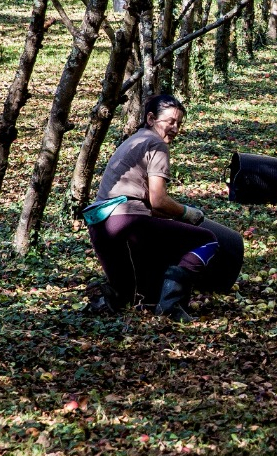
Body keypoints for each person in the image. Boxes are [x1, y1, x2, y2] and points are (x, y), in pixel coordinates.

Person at [84, 92, 221, 321]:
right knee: (207, 239)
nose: (175, 128)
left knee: (136, 296)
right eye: (170, 122)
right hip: (127, 222)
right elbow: (158, 200)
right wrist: (188, 213)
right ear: (150, 119)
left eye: (179, 123)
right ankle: (171, 306)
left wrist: (174, 215)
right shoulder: (156, 144)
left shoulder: (134, 140)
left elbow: (147, 203)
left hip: (101, 227)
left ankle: (111, 295)